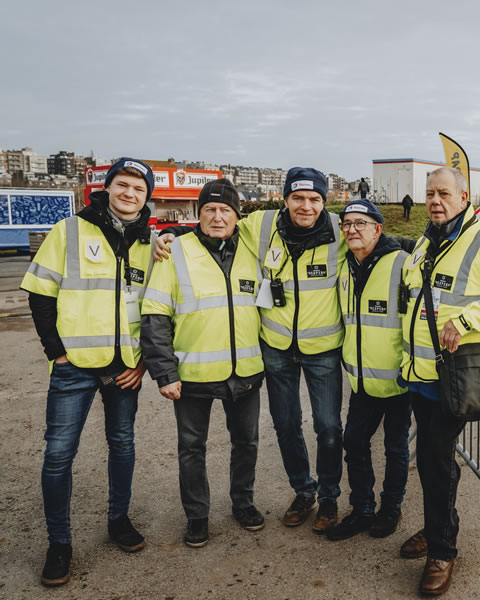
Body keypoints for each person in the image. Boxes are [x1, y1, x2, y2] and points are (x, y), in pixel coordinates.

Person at [152, 168, 348, 534]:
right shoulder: (261, 225)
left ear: (325, 202)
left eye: (315, 200)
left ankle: (331, 497)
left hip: (322, 349)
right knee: (287, 425)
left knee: (329, 427)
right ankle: (304, 491)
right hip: (275, 347)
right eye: (298, 198)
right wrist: (168, 235)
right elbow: (215, 222)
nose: (306, 207)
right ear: (285, 199)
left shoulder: (339, 229)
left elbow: (378, 237)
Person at [21, 158, 157, 586]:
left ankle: (118, 520)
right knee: (59, 455)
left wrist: (142, 362)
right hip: (74, 367)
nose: (129, 193)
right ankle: (59, 543)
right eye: (122, 185)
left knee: (123, 445)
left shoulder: (150, 243)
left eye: (138, 188)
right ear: (108, 187)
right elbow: (40, 293)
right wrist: (56, 353)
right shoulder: (71, 230)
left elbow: (156, 309)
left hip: (125, 369)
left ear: (146, 196)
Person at [397, 167, 480, 595]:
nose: (435, 201)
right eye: (429, 193)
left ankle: (442, 551)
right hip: (420, 374)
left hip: (454, 376)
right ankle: (437, 526)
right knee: (434, 462)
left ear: (464, 196)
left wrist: (470, 318)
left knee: (436, 458)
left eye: (444, 194)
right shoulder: (425, 241)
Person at [141, 178, 266, 548]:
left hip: (244, 372)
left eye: (225, 209)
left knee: (247, 442)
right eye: (209, 209)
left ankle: (243, 503)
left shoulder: (251, 250)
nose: (217, 216)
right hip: (191, 374)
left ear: (237, 215)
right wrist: (164, 372)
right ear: (198, 213)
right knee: (191, 448)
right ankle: (197, 516)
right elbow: (155, 313)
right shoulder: (175, 251)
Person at [325, 199, 411, 542]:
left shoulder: (402, 263)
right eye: (346, 224)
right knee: (355, 443)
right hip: (362, 381)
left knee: (395, 447)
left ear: (378, 228)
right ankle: (362, 509)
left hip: (399, 380)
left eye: (361, 223)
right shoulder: (344, 266)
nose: (352, 230)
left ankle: (391, 508)